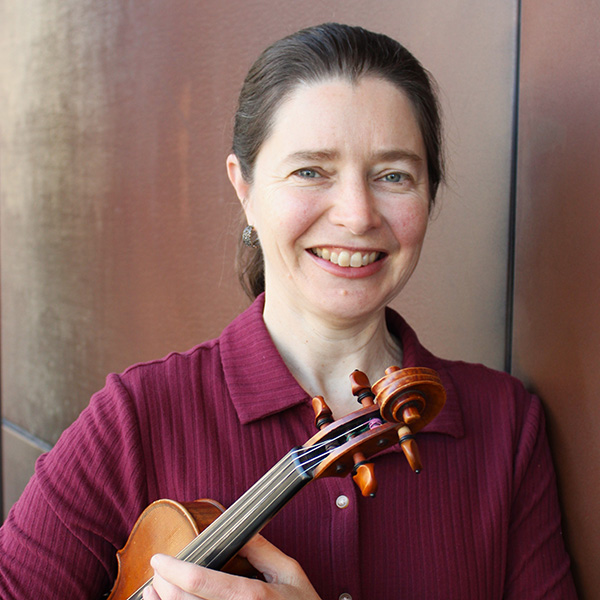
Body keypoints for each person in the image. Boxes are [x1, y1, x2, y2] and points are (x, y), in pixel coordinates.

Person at [0, 23, 576, 600]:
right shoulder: (134, 422)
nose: (356, 215)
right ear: (244, 188)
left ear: (429, 195)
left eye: (393, 176)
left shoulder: (505, 428)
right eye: (310, 171)